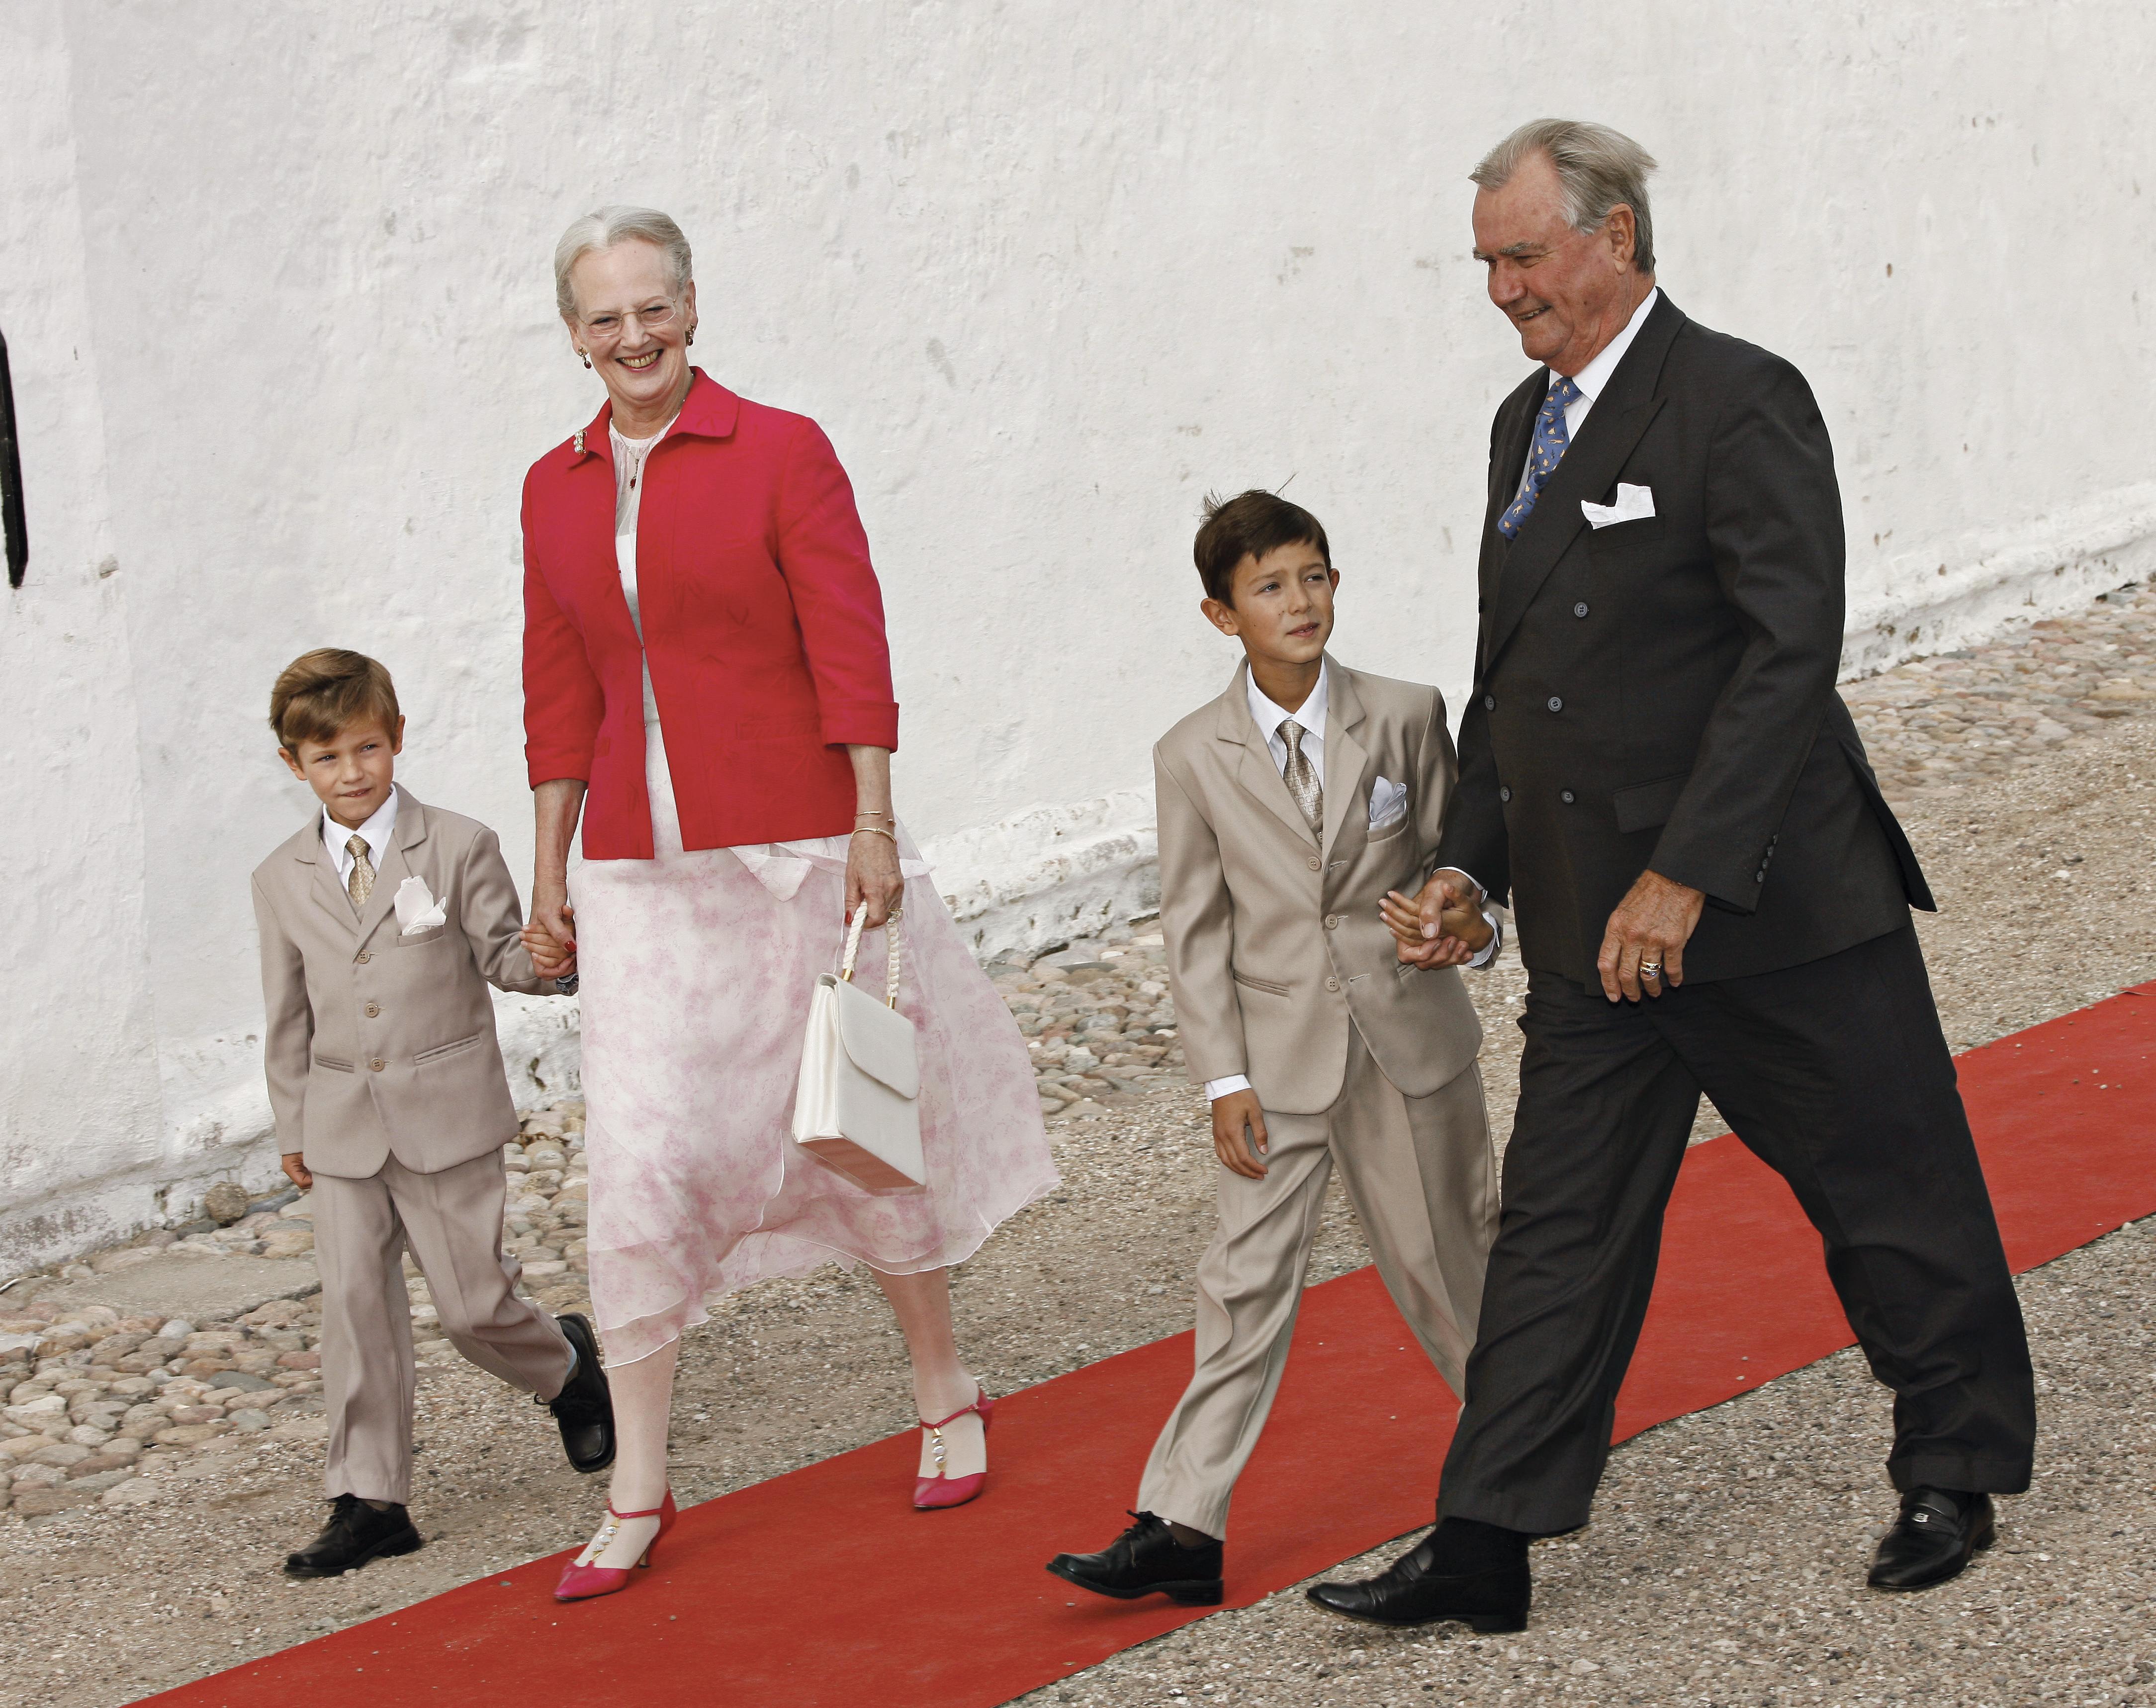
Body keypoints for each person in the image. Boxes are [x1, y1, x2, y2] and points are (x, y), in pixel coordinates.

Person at [1307, 120, 2036, 1633]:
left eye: (1526, 255)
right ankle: (1486, 1537)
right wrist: (1466, 864)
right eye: (1488, 265)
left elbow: (1789, 655)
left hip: (1776, 907)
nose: (1504, 290)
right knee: (1559, 1230)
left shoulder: (1739, 398)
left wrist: (1688, 875)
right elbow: (1515, 683)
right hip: (1591, 932)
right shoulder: (1527, 425)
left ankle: (1953, 1465)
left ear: (1616, 237)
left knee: (1888, 1187)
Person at [518, 206, 1058, 1603]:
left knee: (853, 1131)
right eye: (603, 316)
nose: (632, 337)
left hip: (799, 848)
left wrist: (875, 825)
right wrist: (547, 870)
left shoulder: (783, 448)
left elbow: (849, 639)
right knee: (639, 1165)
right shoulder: (551, 489)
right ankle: (639, 1479)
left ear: (693, 307)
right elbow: (557, 687)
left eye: (655, 307)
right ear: (571, 334)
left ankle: (945, 1382)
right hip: (639, 879)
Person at [1046, 491, 1501, 1607]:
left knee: (1450, 1265)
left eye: (1312, 576)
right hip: (1275, 1063)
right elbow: (1196, 930)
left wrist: (1471, 928)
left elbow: (1466, 857)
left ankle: (1520, 1466)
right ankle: (1180, 1525)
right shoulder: (1189, 755)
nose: (1297, 601)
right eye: (1267, 586)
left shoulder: (1402, 711)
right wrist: (1222, 1077)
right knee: (1241, 1281)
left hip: (1408, 1044)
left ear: (1335, 584)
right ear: (1219, 613)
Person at [251, 649, 616, 1579]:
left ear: (398, 738)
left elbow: (504, 956)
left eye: (368, 748)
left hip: (444, 1111)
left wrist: (552, 957)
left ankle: (565, 1367)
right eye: (328, 758)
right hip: (339, 1122)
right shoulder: (280, 876)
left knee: (470, 1307)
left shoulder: (457, 844)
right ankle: (370, 1499)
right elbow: (286, 1009)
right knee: (353, 1309)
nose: (353, 772)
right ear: (296, 766)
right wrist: (293, 1123)